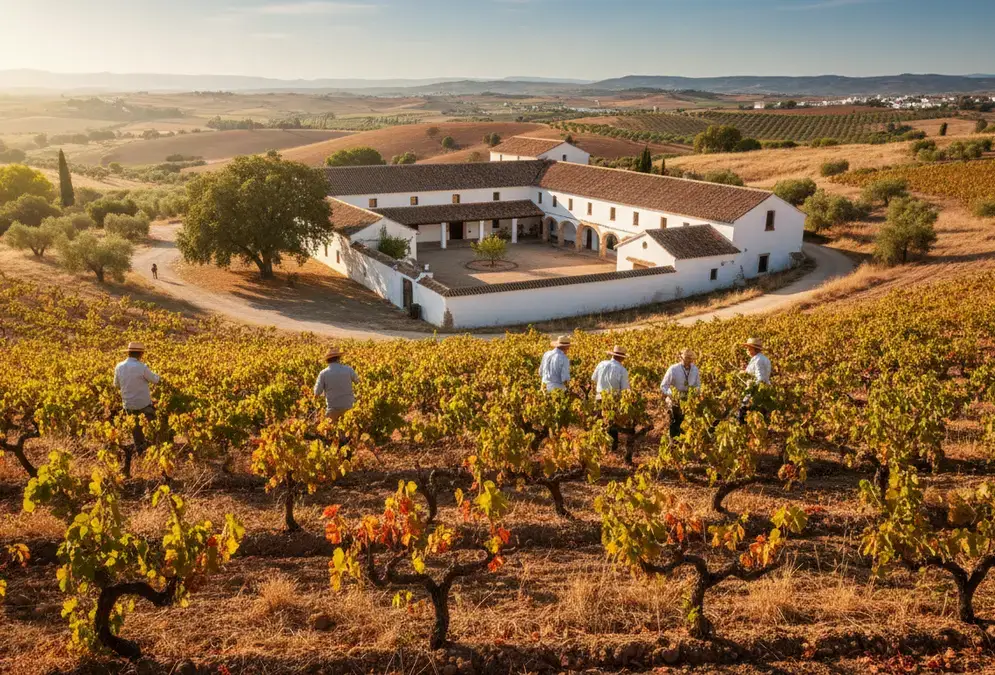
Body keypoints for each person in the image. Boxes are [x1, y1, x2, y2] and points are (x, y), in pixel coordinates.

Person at [113, 341, 160, 454]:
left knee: (136, 431)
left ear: (128, 353)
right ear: (140, 354)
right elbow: (156, 380)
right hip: (143, 404)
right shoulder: (142, 367)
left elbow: (116, 385)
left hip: (128, 404)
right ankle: (155, 450)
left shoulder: (119, 367)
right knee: (153, 427)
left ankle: (140, 452)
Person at [592, 345, 630, 453]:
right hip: (613, 399)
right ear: (622, 358)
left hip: (599, 397)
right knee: (612, 423)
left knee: (601, 421)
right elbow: (625, 389)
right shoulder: (622, 370)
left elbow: (593, 378)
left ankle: (600, 446)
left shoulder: (601, 364)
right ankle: (612, 448)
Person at [661, 349, 701, 438]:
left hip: (689, 401)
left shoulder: (695, 369)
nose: (688, 361)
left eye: (690, 359)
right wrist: (672, 395)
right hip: (675, 400)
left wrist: (696, 393)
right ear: (681, 358)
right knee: (675, 423)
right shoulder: (673, 369)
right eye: (686, 359)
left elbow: (698, 385)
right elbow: (664, 385)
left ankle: (685, 444)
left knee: (687, 424)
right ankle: (673, 444)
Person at [314, 346, 358, 423]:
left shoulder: (323, 373)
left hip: (333, 409)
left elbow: (317, 393)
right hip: (349, 407)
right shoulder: (349, 369)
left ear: (327, 360)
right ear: (338, 358)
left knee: (332, 432)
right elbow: (358, 382)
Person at [739, 337, 771, 423]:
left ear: (754, 349)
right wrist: (745, 372)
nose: (747, 350)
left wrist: (751, 387)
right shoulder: (763, 358)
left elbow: (760, 378)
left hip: (755, 391)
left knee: (743, 414)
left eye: (749, 348)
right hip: (764, 390)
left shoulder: (758, 360)